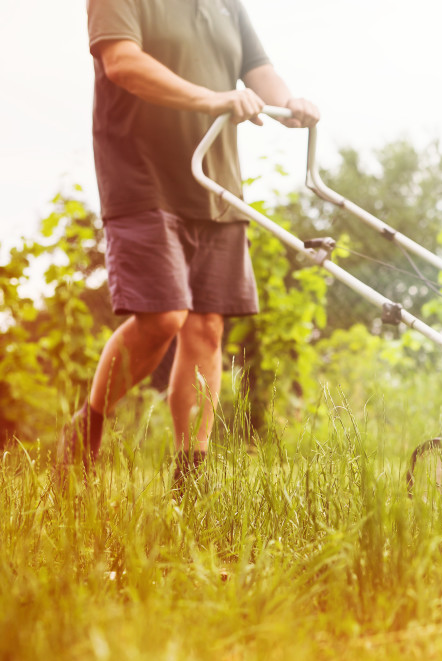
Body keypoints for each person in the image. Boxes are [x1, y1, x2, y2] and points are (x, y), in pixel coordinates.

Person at [61, 0, 320, 485]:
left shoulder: (226, 4)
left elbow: (257, 68)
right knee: (163, 316)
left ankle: (190, 475)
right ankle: (87, 429)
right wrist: (214, 98)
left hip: (215, 181)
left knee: (206, 328)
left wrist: (290, 105)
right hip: (141, 178)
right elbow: (122, 63)